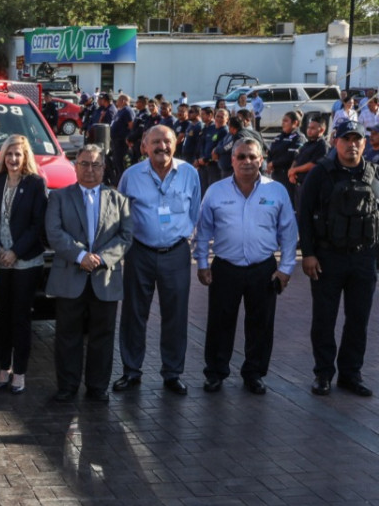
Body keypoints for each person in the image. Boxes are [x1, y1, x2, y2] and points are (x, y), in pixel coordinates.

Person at [196, 137, 296, 396]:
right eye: (241, 157)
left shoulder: (276, 191)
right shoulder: (216, 191)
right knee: (220, 323)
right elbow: (204, 230)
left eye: (253, 157)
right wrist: (203, 264)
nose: (247, 162)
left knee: (261, 325)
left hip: (262, 269)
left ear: (261, 160)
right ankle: (216, 373)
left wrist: (285, 269)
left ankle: (254, 374)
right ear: (232, 160)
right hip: (225, 268)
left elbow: (288, 232)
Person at [115, 125, 201, 396]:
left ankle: (173, 373)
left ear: (175, 144)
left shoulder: (189, 173)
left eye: (167, 141)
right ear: (144, 145)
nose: (161, 146)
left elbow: (195, 213)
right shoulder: (131, 176)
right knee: (133, 314)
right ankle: (131, 371)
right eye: (155, 142)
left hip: (176, 253)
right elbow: (119, 215)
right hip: (139, 252)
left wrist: (192, 248)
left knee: (175, 316)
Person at [45, 145, 133, 403]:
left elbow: (126, 236)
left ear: (104, 168)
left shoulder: (119, 199)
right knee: (67, 336)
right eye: (84, 164)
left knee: (102, 338)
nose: (90, 169)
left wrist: (101, 259)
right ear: (75, 166)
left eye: (96, 164)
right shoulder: (59, 198)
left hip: (104, 279)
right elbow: (54, 232)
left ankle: (97, 387)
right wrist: (81, 256)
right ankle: (67, 387)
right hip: (70, 277)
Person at [297, 120, 378, 397]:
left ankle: (350, 374)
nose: (352, 144)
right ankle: (323, 374)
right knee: (324, 319)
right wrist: (307, 253)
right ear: (336, 142)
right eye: (346, 139)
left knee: (358, 320)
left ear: (364, 144)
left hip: (363, 259)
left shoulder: (373, 174)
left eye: (357, 139)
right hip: (327, 258)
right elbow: (304, 214)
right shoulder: (321, 173)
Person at [0, 135, 48, 394]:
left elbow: (37, 224)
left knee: (20, 317)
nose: (13, 159)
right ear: (3, 156)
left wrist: (15, 252)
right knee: (3, 317)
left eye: (18, 154)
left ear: (26, 156)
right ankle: (3, 366)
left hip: (25, 262)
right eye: (9, 154)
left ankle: (19, 372)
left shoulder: (35, 184)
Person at [288, 115, 330, 207]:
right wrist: (291, 172)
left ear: (322, 130)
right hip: (298, 185)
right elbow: (296, 158)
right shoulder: (307, 144)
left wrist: (295, 170)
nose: (309, 130)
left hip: (310, 187)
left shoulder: (322, 146)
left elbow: (314, 164)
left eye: (313, 128)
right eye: (308, 127)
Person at [267, 112, 306, 207]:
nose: (283, 123)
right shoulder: (278, 137)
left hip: (288, 177)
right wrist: (269, 163)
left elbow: (291, 156)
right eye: (282, 121)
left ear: (295, 123)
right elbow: (271, 152)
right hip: (276, 175)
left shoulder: (299, 138)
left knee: (287, 204)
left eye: (286, 121)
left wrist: (273, 163)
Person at [199, 108, 229, 191]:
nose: (219, 119)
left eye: (222, 117)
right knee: (204, 189)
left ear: (227, 119)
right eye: (217, 116)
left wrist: (206, 159)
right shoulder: (211, 129)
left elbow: (219, 150)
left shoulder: (225, 132)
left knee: (213, 189)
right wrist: (201, 158)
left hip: (215, 166)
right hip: (205, 164)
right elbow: (203, 144)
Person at [109, 94, 133, 183]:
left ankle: (124, 181)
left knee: (121, 162)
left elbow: (131, 126)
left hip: (122, 142)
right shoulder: (120, 111)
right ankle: (118, 179)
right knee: (116, 161)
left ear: (123, 101)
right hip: (115, 141)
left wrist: (128, 139)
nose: (116, 102)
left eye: (118, 100)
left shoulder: (128, 111)